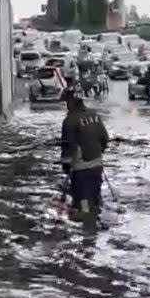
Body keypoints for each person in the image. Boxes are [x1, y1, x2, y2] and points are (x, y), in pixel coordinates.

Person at [60, 87, 110, 225]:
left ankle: (87, 226)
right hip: (97, 166)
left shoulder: (69, 121)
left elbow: (68, 148)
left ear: (72, 101)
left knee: (83, 202)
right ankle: (95, 219)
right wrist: (97, 154)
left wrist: (66, 167)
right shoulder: (94, 115)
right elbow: (105, 139)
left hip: (81, 170)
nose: (66, 106)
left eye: (67, 102)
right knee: (94, 196)